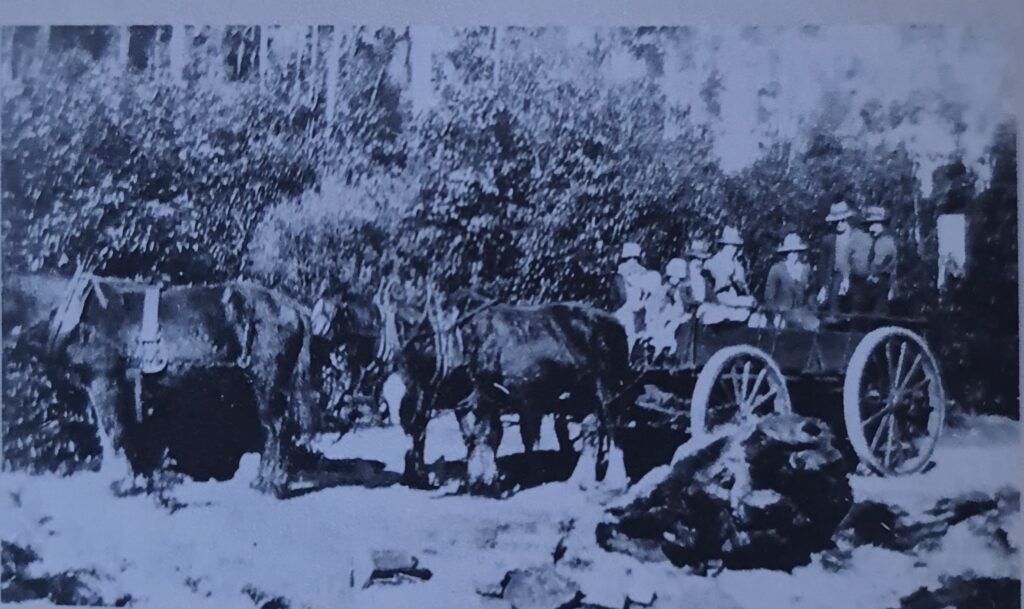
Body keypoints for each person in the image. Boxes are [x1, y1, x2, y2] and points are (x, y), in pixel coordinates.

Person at [815, 201, 873, 316]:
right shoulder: (829, 240)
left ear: (848, 219)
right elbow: (824, 265)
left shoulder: (857, 236)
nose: (839, 224)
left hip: (855, 277)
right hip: (836, 278)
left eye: (842, 220)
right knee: (834, 305)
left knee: (857, 306)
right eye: (835, 222)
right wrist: (824, 287)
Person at [699, 226, 757, 325]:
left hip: (735, 302)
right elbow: (709, 292)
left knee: (753, 315)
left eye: (736, 246)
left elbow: (743, 289)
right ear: (724, 246)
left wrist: (746, 295)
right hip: (717, 303)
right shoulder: (712, 263)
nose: (734, 249)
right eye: (731, 246)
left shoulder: (737, 265)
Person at [764, 233, 820, 331]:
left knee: (815, 326)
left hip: (801, 312)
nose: (793, 255)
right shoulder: (776, 269)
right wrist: (775, 314)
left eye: (796, 252)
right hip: (782, 313)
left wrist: (813, 307)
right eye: (790, 252)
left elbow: (811, 291)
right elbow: (769, 296)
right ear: (785, 253)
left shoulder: (806, 268)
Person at [612, 242, 658, 352]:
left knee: (631, 333)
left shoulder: (641, 274)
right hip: (632, 309)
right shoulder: (624, 274)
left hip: (637, 309)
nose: (632, 262)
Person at [862, 205, 898, 315]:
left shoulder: (886, 242)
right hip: (878, 279)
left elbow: (880, 263)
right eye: (870, 224)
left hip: (881, 280)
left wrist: (872, 274)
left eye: (875, 224)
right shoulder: (878, 241)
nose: (871, 228)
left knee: (878, 310)